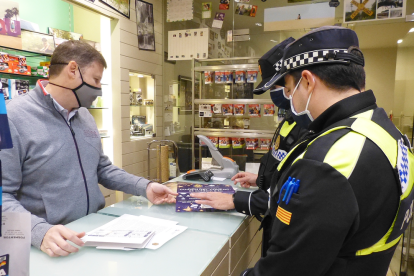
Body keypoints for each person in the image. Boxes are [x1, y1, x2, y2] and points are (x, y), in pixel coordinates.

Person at [241, 26, 411, 276]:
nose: (290, 100)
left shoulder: (328, 160)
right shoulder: (385, 131)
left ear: (308, 81)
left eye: (289, 89)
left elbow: (286, 269)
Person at [1, 40, 177, 257]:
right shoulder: (11, 117)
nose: (98, 89)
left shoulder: (84, 115)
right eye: (95, 79)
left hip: (91, 234)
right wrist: (39, 232)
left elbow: (101, 168)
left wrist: (145, 187)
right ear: (73, 70)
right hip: (48, 245)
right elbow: (3, 195)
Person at [191, 38, 307, 256]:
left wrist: (236, 199)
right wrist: (260, 179)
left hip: (288, 235)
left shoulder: (310, 126)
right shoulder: (292, 119)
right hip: (274, 227)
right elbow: (281, 164)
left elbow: (297, 196)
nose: (283, 94)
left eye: (280, 87)